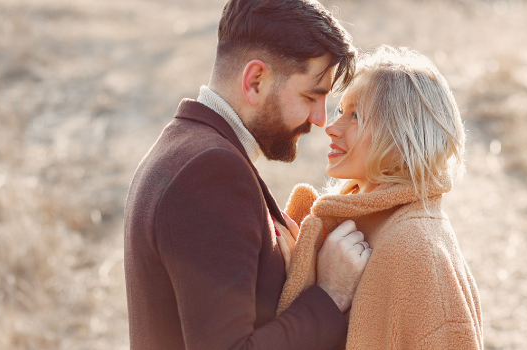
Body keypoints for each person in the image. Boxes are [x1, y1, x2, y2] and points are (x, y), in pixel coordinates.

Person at [123, 0, 372, 349]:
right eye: (311, 96)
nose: (320, 118)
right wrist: (330, 294)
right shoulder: (210, 171)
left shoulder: (184, 148)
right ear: (255, 80)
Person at [278, 46, 484, 349]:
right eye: (341, 111)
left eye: (356, 116)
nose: (332, 128)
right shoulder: (351, 219)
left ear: (401, 139)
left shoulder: (414, 245)